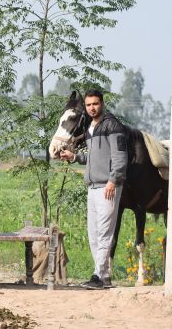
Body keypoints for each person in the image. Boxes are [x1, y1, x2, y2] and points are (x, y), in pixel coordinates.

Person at [60, 89, 128, 290]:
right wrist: (75, 158)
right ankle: (104, 276)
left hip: (108, 187)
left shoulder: (113, 125)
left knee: (104, 234)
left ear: (102, 103)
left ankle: (97, 275)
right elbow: (95, 157)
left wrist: (113, 181)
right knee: (93, 233)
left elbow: (120, 157)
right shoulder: (91, 127)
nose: (92, 108)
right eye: (89, 105)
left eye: (95, 104)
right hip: (92, 187)